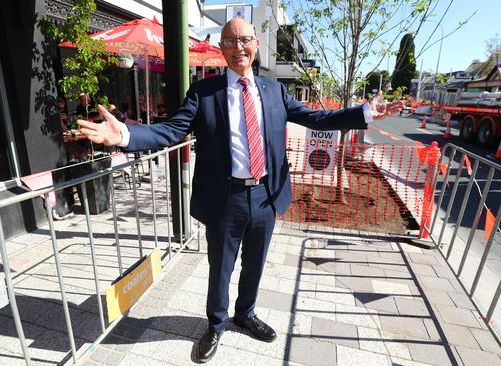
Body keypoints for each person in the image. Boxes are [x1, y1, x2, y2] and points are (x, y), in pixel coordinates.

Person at [78, 18, 401, 363]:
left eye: (245, 40)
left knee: (256, 264)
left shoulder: (273, 90)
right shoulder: (204, 93)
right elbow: (172, 131)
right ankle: (216, 324)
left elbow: (316, 118)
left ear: (256, 45)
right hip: (224, 198)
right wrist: (126, 136)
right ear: (222, 48)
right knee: (221, 268)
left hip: (266, 194)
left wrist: (365, 112)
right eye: (230, 41)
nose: (238, 48)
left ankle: (245, 314)